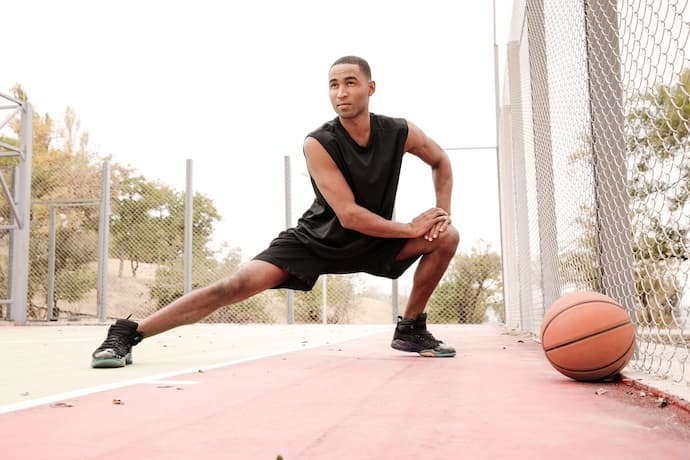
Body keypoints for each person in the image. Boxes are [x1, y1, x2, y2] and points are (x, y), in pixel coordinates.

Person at [91, 55, 459, 368]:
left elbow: (440, 160)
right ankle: (128, 333)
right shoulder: (320, 142)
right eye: (333, 85)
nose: (341, 93)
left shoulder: (398, 131)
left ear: (371, 87)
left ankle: (410, 328)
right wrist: (410, 228)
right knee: (234, 285)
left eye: (350, 83)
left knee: (448, 237)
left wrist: (441, 214)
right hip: (317, 240)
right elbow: (347, 215)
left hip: (377, 239)